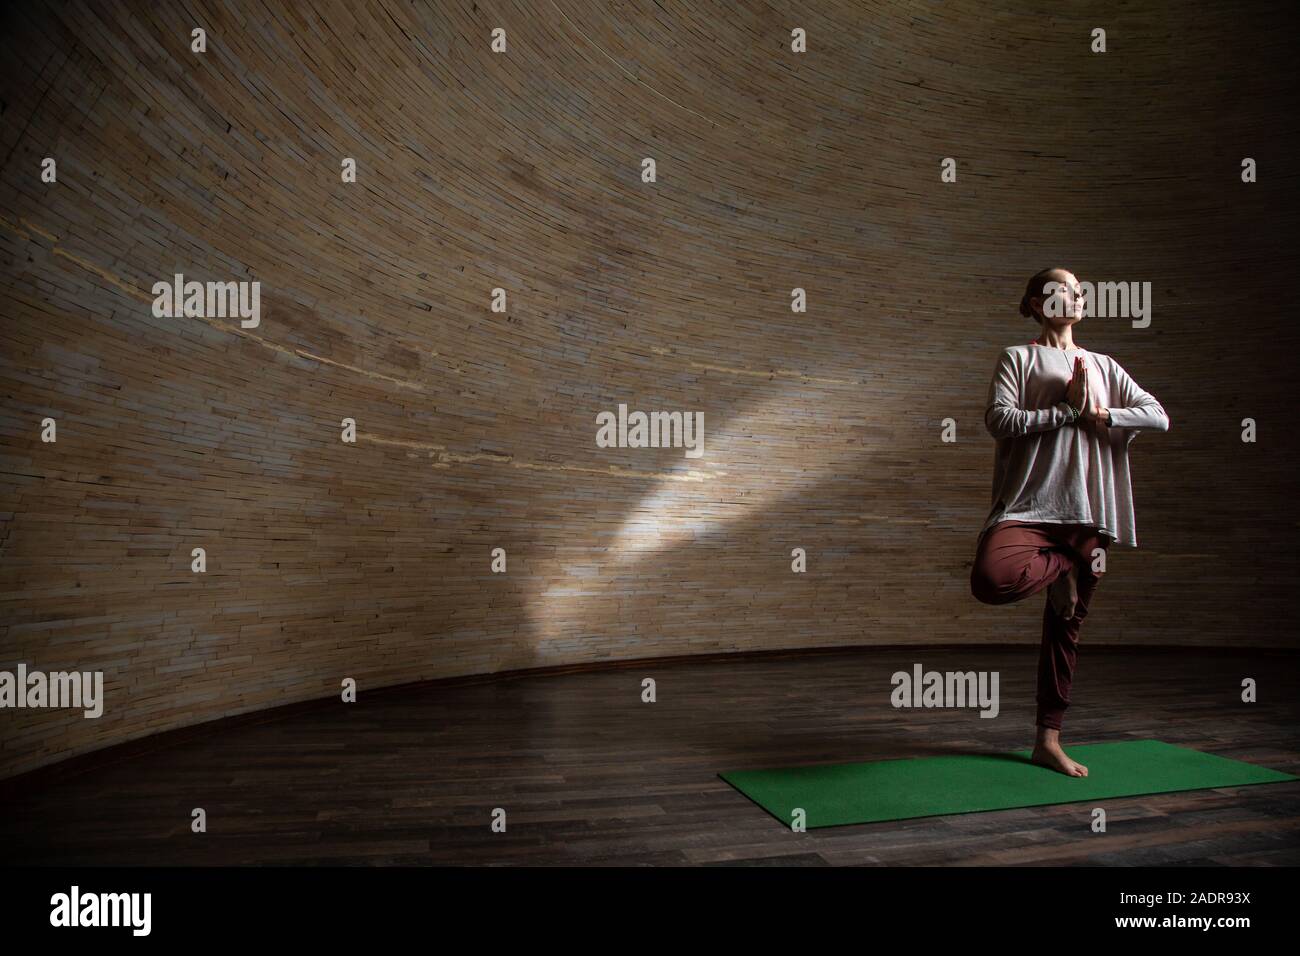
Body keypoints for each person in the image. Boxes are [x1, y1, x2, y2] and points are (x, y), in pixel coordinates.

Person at [970, 268, 1171, 776]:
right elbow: (999, 420)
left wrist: (1102, 415)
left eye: (1079, 290)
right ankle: (1059, 571)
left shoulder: (1103, 364)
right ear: (1037, 304)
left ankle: (1048, 740)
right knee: (992, 579)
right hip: (1031, 507)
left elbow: (1156, 415)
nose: (1075, 296)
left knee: (1066, 630)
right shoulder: (1019, 357)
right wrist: (1065, 410)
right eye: (1061, 289)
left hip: (1088, 513)